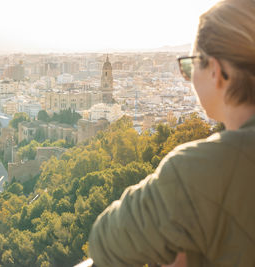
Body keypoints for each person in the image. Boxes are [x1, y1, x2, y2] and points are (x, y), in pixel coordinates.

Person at [88, 0, 255, 266]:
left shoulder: (198, 170)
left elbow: (104, 241)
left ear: (215, 70)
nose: (187, 77)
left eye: (189, 66)